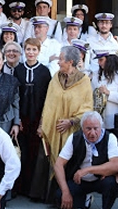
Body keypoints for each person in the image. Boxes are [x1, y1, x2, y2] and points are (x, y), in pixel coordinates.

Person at [38, 46, 93, 200]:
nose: (58, 62)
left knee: (69, 161)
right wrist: (42, 125)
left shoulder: (84, 81)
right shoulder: (56, 77)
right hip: (53, 129)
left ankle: (70, 196)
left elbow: (87, 107)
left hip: (72, 131)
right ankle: (51, 196)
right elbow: (48, 103)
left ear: (70, 62)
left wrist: (71, 121)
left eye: (61, 59)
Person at [54, 111, 118, 209]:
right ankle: (85, 200)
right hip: (80, 180)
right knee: (60, 197)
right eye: (88, 129)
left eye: (96, 128)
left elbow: (116, 165)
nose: (92, 133)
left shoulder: (110, 138)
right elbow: (58, 164)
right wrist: (65, 191)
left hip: (101, 179)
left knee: (112, 183)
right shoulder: (75, 137)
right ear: (82, 128)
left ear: (101, 127)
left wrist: (88, 170)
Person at [13, 38, 52, 200]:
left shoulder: (44, 71)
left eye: (34, 50)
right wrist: (18, 120)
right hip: (23, 118)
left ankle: (33, 190)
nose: (30, 53)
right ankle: (19, 187)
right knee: (21, 152)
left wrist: (42, 122)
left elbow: (47, 99)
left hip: (37, 118)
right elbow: (15, 96)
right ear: (24, 50)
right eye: (28, 49)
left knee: (35, 154)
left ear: (39, 51)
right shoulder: (18, 70)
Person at [91, 52, 118, 138]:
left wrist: (108, 93)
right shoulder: (96, 76)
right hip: (100, 120)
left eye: (101, 60)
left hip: (115, 120)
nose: (99, 63)